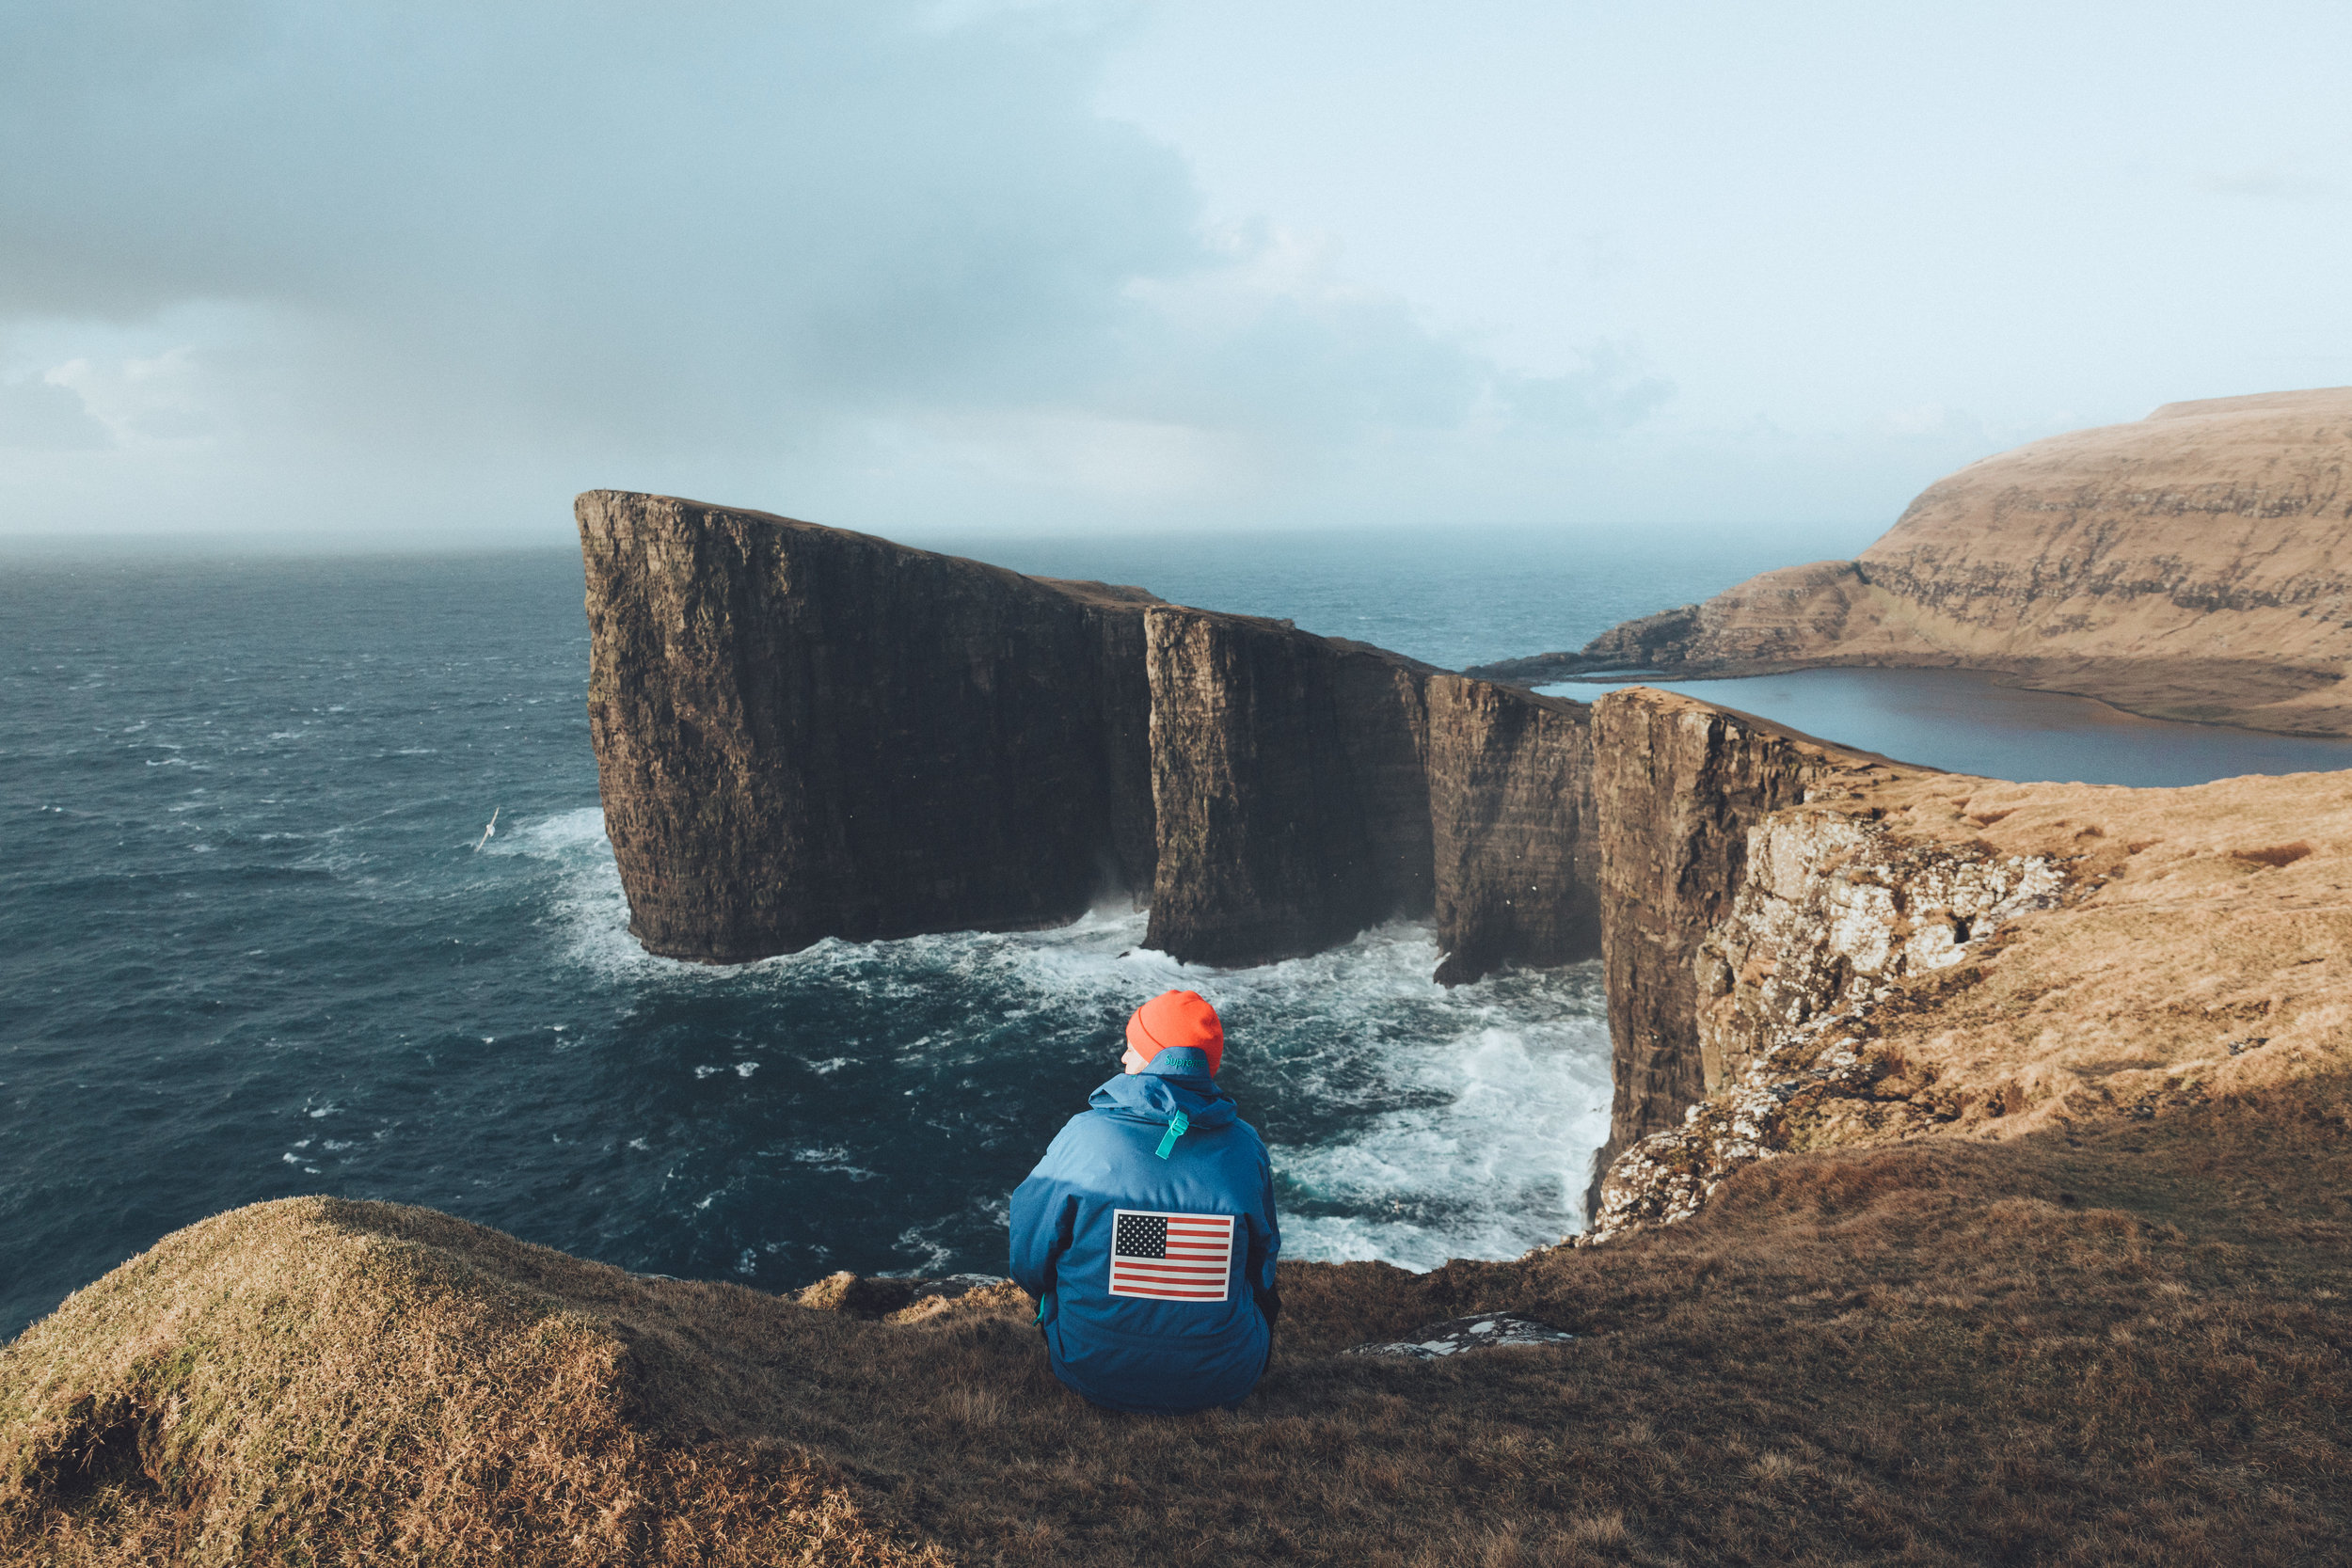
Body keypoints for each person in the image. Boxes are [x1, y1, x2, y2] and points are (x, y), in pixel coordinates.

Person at [1009, 989, 1279, 1414]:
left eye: (1133, 1047)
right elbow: (1263, 1265)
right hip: (1223, 1377)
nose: (1122, 1058)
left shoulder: (1084, 1137)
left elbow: (1028, 1254)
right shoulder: (1245, 1148)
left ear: (1155, 1060)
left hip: (1091, 1366)